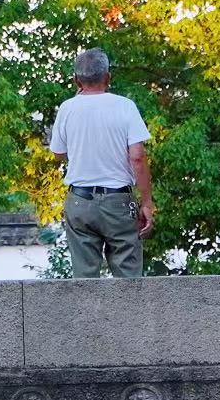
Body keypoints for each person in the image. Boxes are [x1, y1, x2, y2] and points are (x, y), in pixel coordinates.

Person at [48, 48, 154, 279]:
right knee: (128, 280)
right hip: (118, 201)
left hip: (79, 201)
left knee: (85, 280)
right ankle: (128, 304)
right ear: (108, 77)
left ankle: (87, 304)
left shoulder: (67, 108)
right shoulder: (125, 106)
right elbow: (137, 156)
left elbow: (58, 153)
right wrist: (146, 202)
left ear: (76, 80)